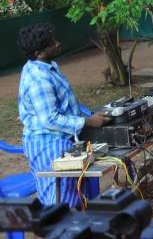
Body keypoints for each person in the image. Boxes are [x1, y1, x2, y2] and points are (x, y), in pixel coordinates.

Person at [17, 23, 111, 207]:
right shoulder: (39, 79)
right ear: (39, 53)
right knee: (60, 201)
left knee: (77, 192)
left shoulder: (46, 65)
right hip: (47, 144)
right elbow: (50, 119)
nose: (58, 44)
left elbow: (63, 105)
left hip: (62, 138)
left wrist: (91, 116)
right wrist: (88, 121)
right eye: (52, 43)